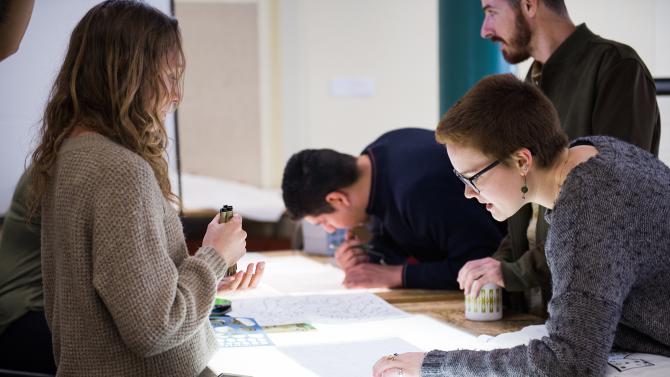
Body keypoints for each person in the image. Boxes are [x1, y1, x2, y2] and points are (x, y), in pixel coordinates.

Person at [373, 74, 670, 377]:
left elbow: (570, 364)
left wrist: (433, 365)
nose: (468, 192)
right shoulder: (600, 152)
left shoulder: (586, 211)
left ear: (521, 161)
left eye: (473, 177)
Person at [27, 1, 247, 375]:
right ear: (131, 74)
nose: (177, 95)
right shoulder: (121, 171)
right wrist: (213, 257)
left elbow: (120, 296)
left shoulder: (69, 152)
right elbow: (154, 328)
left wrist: (205, 280)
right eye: (171, 76)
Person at [458, 0, 661, 316]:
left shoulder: (615, 68)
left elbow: (611, 215)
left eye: (490, 11)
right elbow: (524, 210)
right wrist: (498, 265)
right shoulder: (530, 84)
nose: (485, 30)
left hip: (603, 319)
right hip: (538, 313)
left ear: (528, 4)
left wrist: (515, 273)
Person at [281, 128, 505, 289]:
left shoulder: (418, 191)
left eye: (323, 222)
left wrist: (396, 275)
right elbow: (397, 228)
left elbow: (481, 265)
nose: (330, 230)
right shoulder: (377, 153)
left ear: (337, 200)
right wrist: (368, 255)